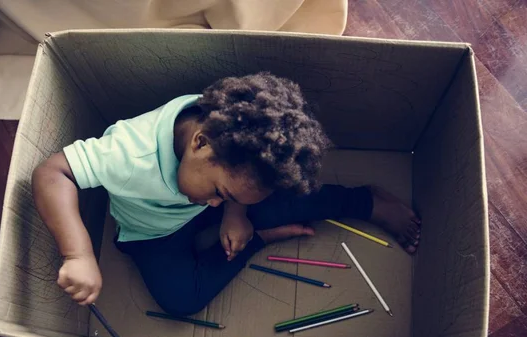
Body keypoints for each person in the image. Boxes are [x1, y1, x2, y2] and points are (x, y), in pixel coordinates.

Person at [32, 72, 421, 316]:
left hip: (206, 208)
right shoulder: (127, 154)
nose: (215, 201)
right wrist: (78, 254)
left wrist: (235, 212)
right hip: (151, 230)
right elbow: (52, 172)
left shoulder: (230, 156)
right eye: (219, 191)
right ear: (200, 144)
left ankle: (365, 201)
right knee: (181, 301)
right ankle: (259, 241)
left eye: (226, 195)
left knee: (277, 204)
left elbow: (232, 191)